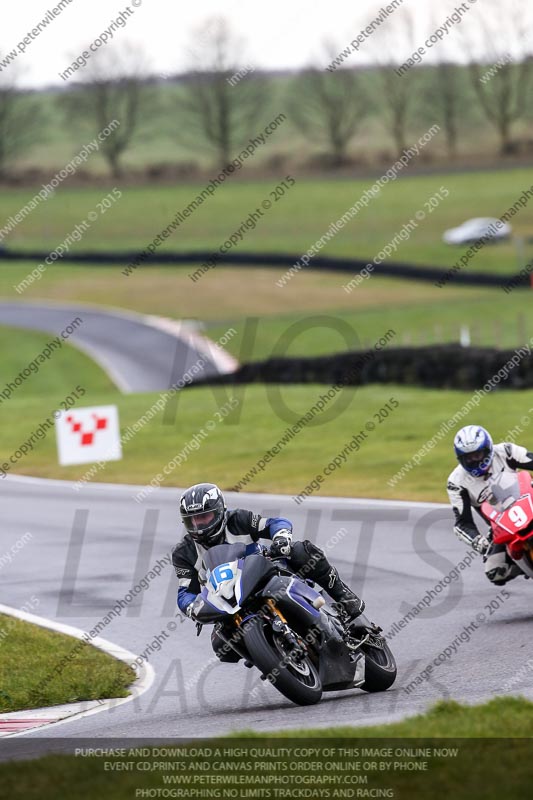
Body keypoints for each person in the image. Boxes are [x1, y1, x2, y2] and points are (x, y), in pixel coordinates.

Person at [172, 482, 365, 661]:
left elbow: (275, 523)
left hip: (263, 574)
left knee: (301, 551)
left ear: (220, 511)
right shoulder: (183, 553)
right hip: (227, 599)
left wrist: (281, 539)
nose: (199, 526)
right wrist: (192, 607)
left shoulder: (237, 519)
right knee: (221, 645)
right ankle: (270, 653)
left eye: (204, 517)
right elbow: (185, 591)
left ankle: (344, 597)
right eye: (192, 521)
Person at [447, 424, 533, 585]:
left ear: (488, 449)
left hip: (529, 504)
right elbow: (462, 524)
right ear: (460, 459)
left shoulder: (506, 451)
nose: (475, 460)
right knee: (495, 572)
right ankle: (522, 564)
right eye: (469, 458)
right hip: (501, 526)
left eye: (478, 454)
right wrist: (479, 542)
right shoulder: (456, 482)